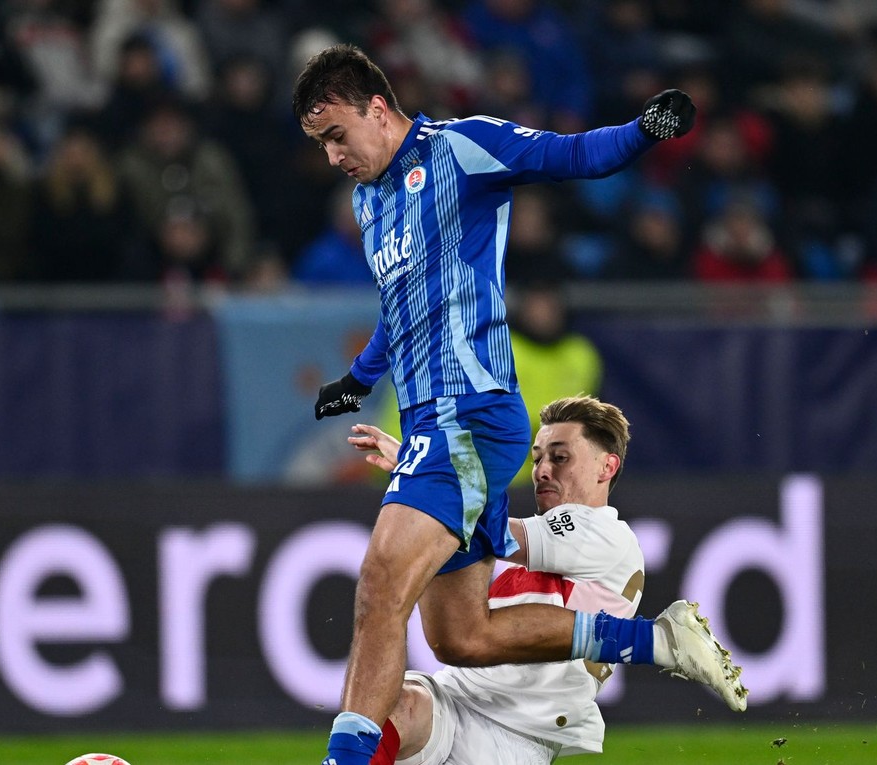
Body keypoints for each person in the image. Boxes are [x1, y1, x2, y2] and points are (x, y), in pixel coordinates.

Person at [292, 44, 740, 765]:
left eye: (338, 133)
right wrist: (359, 375)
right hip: (429, 424)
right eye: (321, 145)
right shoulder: (368, 200)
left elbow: (570, 156)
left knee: (380, 586)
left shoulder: (462, 148)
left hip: (469, 415)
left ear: (378, 108)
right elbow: (399, 306)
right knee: (458, 636)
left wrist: (644, 130)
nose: (334, 154)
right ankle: (659, 640)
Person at [346, 396, 719, 764]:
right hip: (455, 696)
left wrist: (425, 474)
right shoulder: (544, 544)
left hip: (514, 735)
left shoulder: (607, 534)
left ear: (606, 467)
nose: (542, 470)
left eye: (560, 457)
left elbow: (492, 532)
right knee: (391, 705)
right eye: (537, 458)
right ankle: (652, 641)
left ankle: (652, 641)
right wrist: (424, 474)